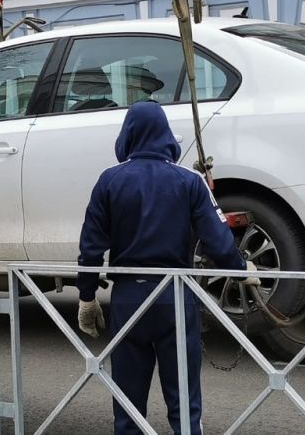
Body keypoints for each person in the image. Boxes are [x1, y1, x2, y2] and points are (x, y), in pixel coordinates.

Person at [76, 101, 258, 435]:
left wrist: (87, 297)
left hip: (128, 300)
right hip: (175, 298)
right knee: (185, 407)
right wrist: (241, 268)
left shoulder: (109, 181)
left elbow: (90, 248)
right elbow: (218, 242)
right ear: (166, 136)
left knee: (127, 408)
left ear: (128, 135)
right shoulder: (189, 181)